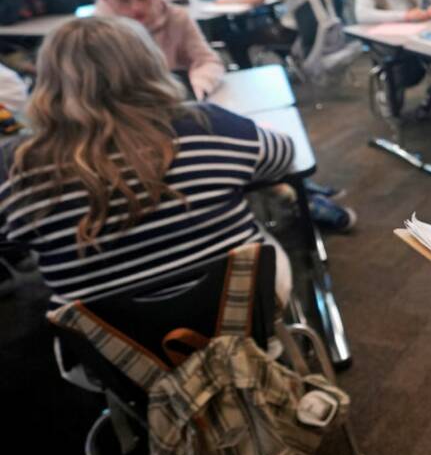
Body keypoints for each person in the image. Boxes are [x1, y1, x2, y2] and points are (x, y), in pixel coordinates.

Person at [0, 17, 296, 305]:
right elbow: (283, 156)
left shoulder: (16, 166)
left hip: (113, 346)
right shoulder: (208, 124)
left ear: (47, 81)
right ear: (150, 64)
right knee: (261, 240)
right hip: (241, 312)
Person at [94, 0, 225, 99]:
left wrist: (196, 88)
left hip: (176, 101)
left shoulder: (176, 17)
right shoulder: (93, 34)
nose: (136, 7)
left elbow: (208, 61)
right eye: (123, 0)